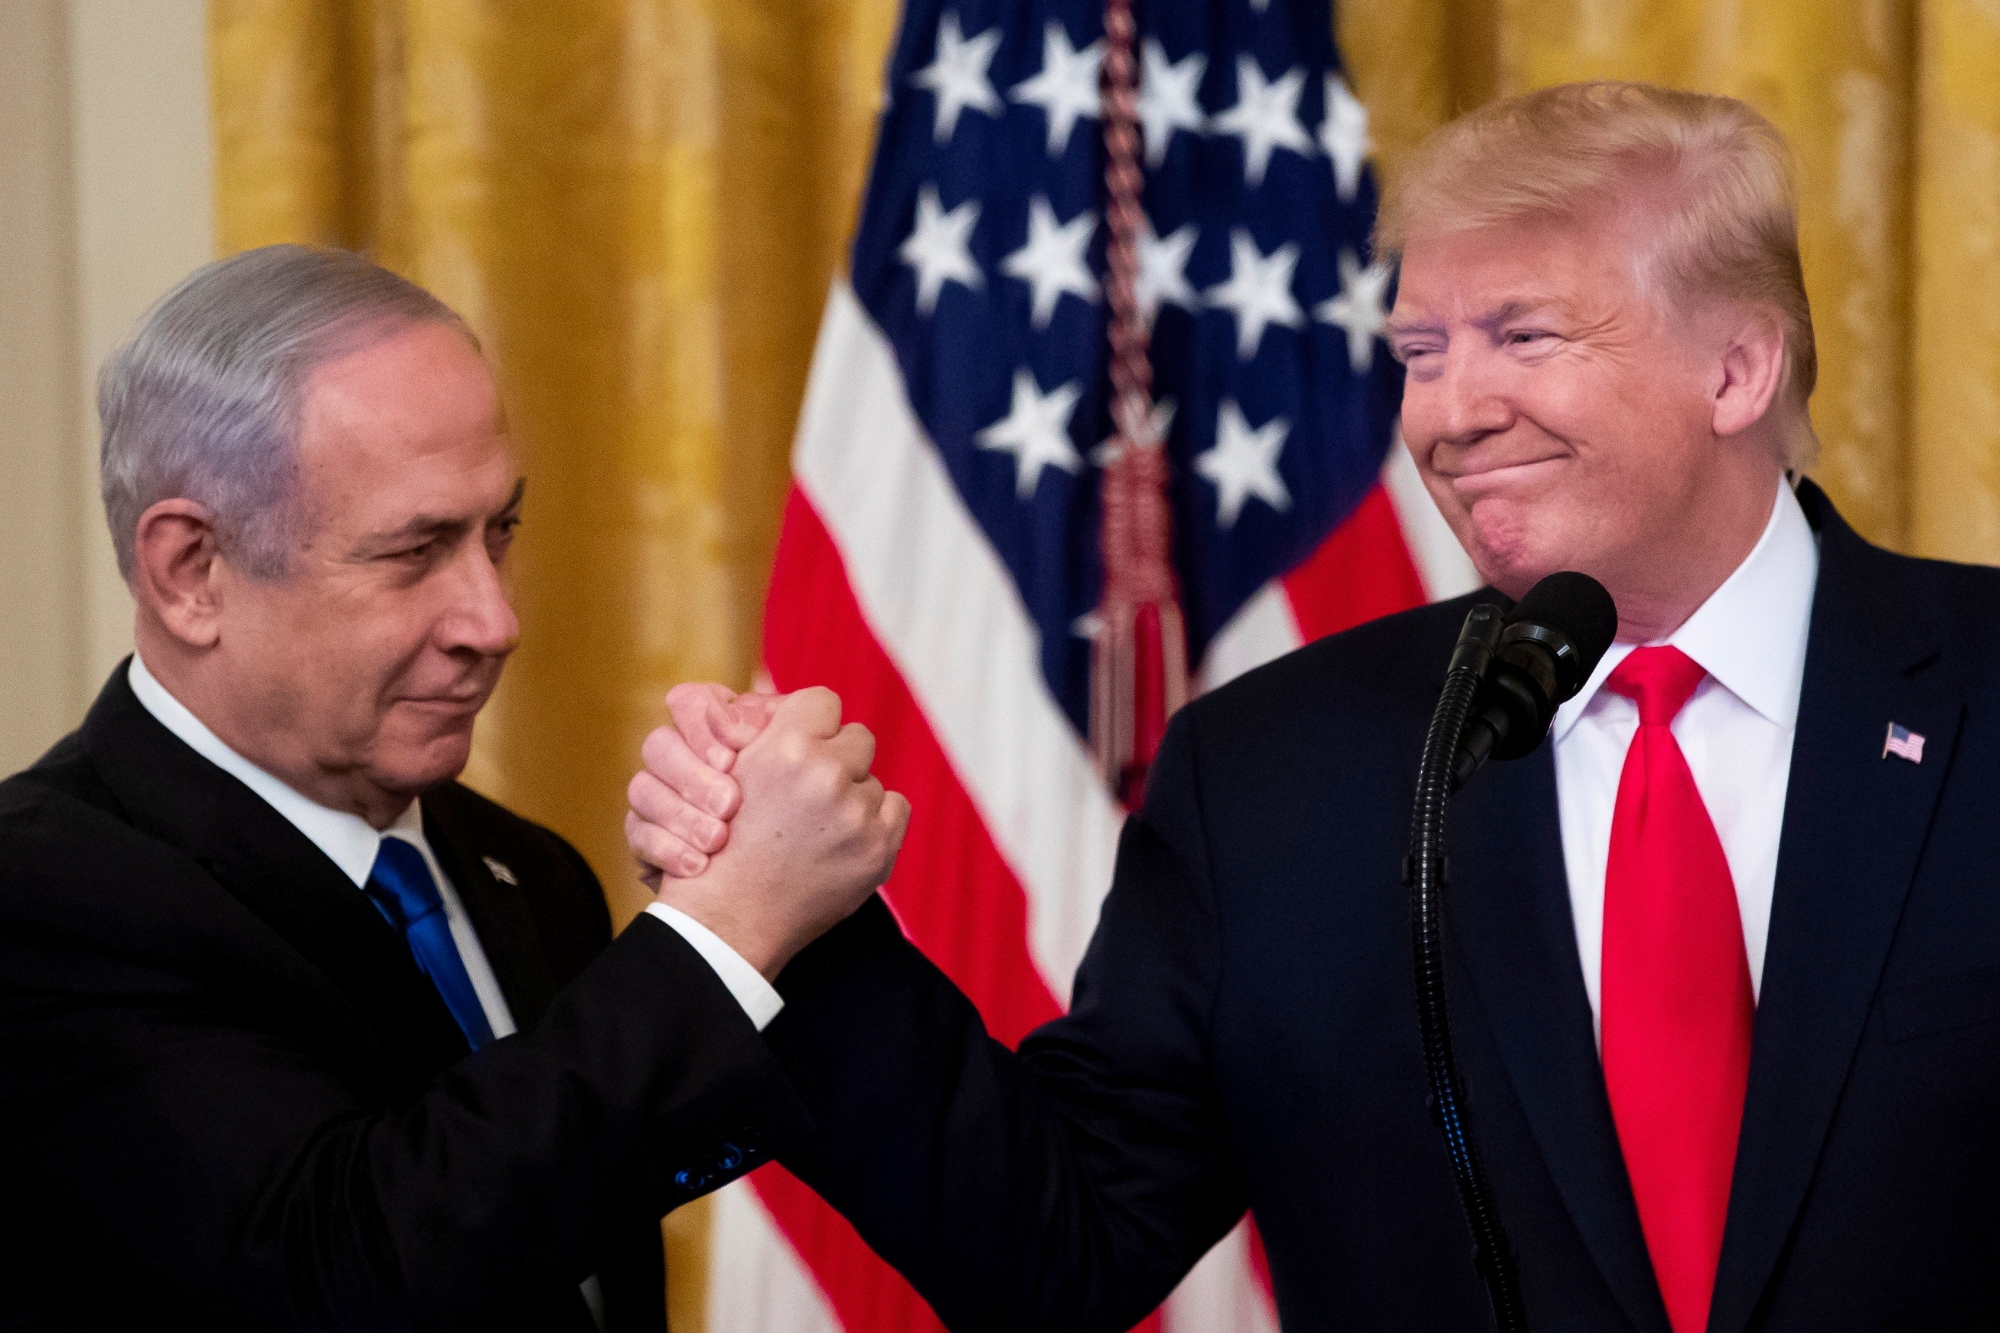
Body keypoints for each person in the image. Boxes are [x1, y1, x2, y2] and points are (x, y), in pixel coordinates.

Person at [627, 83, 2000, 1332]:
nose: (1449, 414)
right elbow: (1058, 1246)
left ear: (1737, 368)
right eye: (1419, 350)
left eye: (1522, 335)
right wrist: (790, 921)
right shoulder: (1275, 772)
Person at [0, 245, 907, 1331]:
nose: (495, 621)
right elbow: (354, 1274)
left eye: (498, 533)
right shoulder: (41, 892)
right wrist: (722, 931)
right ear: (192, 570)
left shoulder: (526, 871)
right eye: (415, 550)